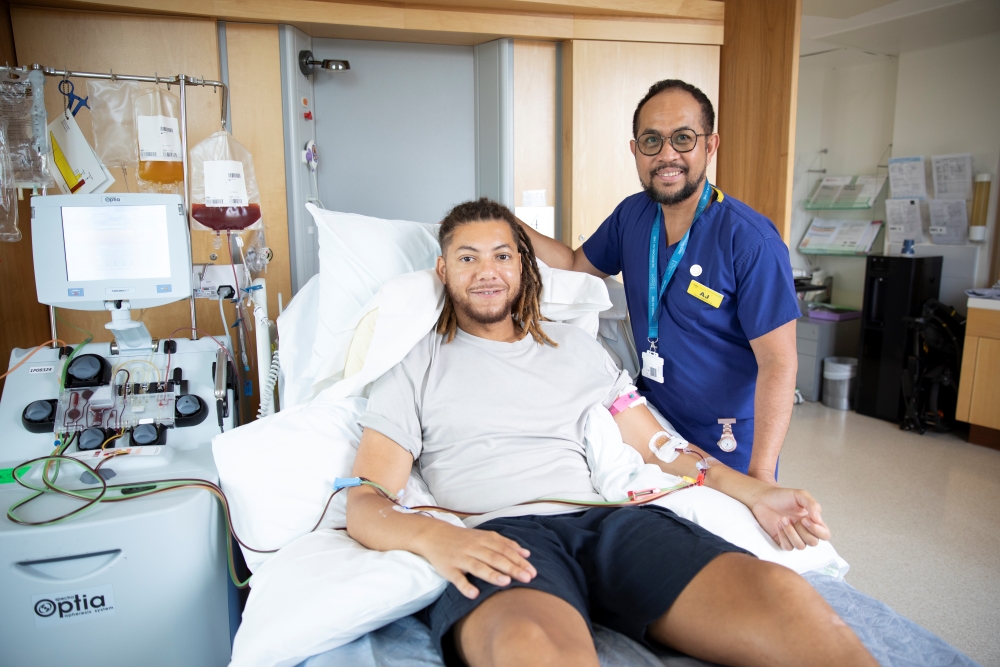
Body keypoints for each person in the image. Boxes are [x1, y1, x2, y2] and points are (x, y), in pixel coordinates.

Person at [346, 199, 875, 667]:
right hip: (502, 534)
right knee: (529, 647)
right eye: (468, 257)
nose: (487, 271)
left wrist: (759, 491)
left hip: (613, 525)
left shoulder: (575, 350)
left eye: (502, 255)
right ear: (442, 269)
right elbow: (368, 501)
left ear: (524, 266)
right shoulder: (413, 363)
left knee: (782, 599)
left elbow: (659, 448)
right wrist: (435, 537)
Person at [520, 79, 800, 484]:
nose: (667, 154)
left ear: (710, 145)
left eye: (683, 138)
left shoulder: (751, 241)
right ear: (635, 150)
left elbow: (779, 362)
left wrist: (761, 476)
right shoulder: (632, 216)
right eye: (652, 140)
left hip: (728, 438)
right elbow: (575, 264)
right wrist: (506, 224)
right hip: (651, 424)